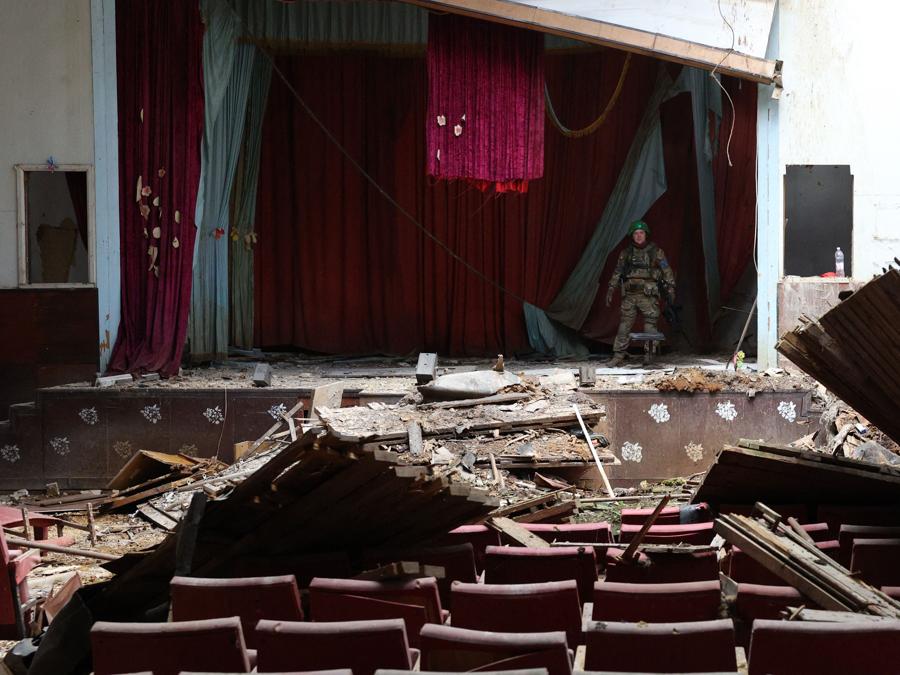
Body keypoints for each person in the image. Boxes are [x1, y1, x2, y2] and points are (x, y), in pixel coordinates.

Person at [605, 220, 675, 366]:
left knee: (650, 325)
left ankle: (649, 355)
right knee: (624, 325)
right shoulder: (626, 253)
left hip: (648, 295)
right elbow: (618, 272)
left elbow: (666, 271)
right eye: (636, 233)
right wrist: (611, 288)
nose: (638, 236)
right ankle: (619, 354)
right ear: (632, 235)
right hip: (630, 295)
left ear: (646, 234)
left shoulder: (656, 252)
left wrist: (671, 288)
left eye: (641, 233)